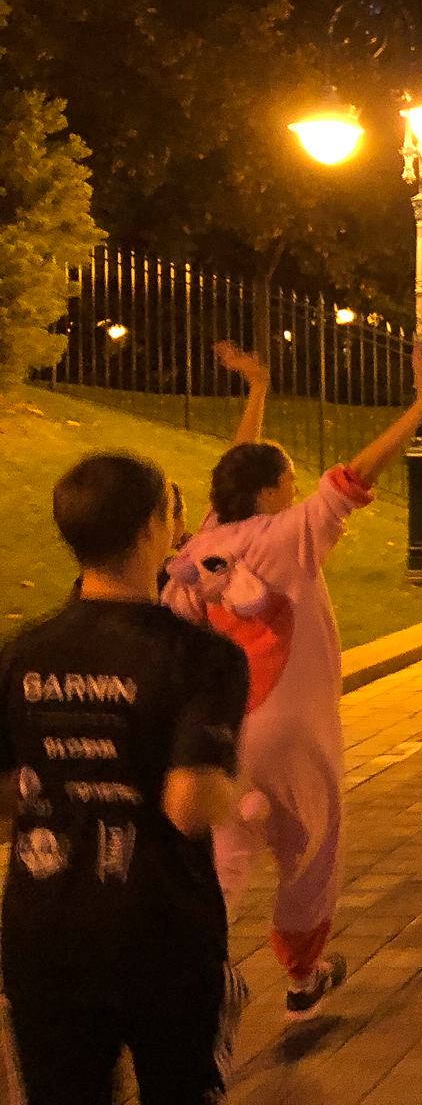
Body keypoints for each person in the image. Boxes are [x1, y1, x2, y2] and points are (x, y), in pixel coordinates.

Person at [163, 341, 422, 1018]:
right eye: (284, 477)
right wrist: (420, 406)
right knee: (313, 849)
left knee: (227, 851)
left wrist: (258, 389)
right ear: (268, 491)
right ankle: (302, 973)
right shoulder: (294, 533)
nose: (294, 484)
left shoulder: (205, 548)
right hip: (296, 727)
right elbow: (356, 473)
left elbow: (235, 472)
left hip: (224, 730)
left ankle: (191, 971)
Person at [2, 454, 249, 1105]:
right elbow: (191, 806)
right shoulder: (201, 657)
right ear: (154, 529)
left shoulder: (22, 656)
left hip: (43, 935)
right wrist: (234, 787)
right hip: (162, 933)